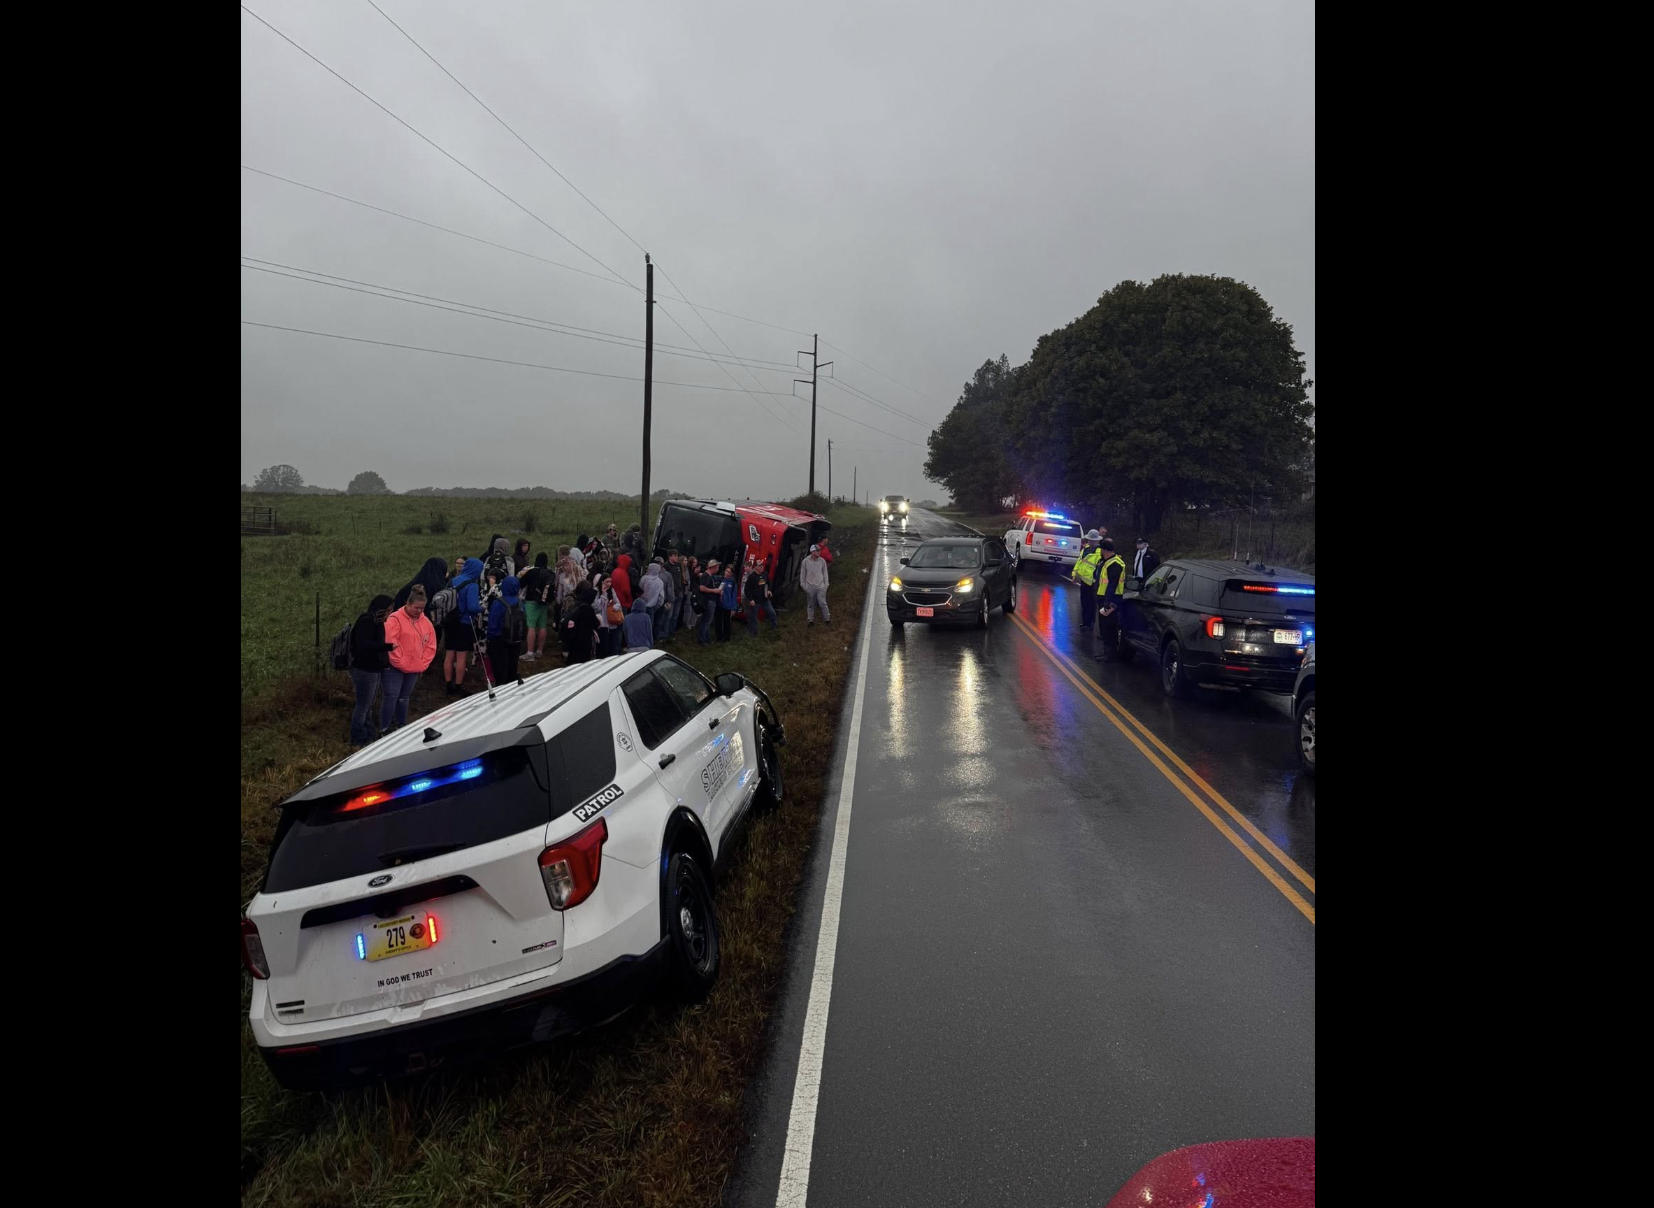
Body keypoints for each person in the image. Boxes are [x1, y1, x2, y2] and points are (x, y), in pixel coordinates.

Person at [381, 586, 437, 733]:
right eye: (416, 608)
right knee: (391, 697)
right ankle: (385, 727)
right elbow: (391, 641)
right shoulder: (395, 619)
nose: (419, 611)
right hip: (395, 667)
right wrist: (400, 661)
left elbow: (431, 645)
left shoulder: (426, 623)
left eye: (422, 608)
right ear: (408, 604)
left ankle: (401, 725)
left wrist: (422, 663)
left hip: (415, 667)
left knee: (404, 698)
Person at [347, 594, 395, 746]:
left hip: (373, 669)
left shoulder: (377, 622)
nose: (390, 613)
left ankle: (369, 734)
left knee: (367, 704)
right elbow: (364, 645)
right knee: (363, 705)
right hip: (364, 670)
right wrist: (386, 647)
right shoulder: (367, 621)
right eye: (388, 610)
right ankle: (358, 738)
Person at [443, 557, 485, 696]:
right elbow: (472, 608)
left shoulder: (453, 580)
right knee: (461, 656)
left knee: (449, 654)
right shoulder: (472, 585)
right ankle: (458, 685)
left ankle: (448, 684)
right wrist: (482, 607)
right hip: (464, 623)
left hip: (450, 622)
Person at [1093, 539, 1128, 661]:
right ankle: (1106, 652)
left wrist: (1108, 601)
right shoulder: (1106, 562)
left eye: (1101, 549)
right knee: (1103, 625)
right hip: (1103, 598)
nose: (1100, 551)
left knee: (1109, 626)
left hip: (1111, 600)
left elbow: (1112, 584)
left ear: (1104, 550)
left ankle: (1110, 653)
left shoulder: (1115, 564)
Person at [486, 574, 524, 683]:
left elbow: (492, 623)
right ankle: (512, 685)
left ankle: (501, 690)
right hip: (516, 639)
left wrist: (490, 639)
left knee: (500, 669)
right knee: (513, 666)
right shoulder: (520, 602)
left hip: (499, 639)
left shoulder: (498, 602)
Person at [518, 552, 552, 662]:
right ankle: (539, 651)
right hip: (545, 602)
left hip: (531, 601)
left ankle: (530, 653)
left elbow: (521, 583)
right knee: (542, 626)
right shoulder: (550, 572)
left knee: (531, 626)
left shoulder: (531, 572)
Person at [1074, 531, 1103, 632]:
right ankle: (1085, 621)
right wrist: (1074, 574)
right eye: (1089, 539)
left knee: (1091, 604)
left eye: (1092, 540)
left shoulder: (1100, 552)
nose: (1090, 541)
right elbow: (1079, 561)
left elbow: (1100, 567)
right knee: (1084, 602)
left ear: (1096, 540)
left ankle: (1090, 623)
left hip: (1093, 582)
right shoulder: (1085, 549)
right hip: (1084, 580)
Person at [745, 559, 779, 635]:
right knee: (753, 618)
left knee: (772, 613)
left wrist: (769, 590)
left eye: (762, 565)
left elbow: (768, 583)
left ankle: (775, 628)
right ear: (756, 567)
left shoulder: (765, 574)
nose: (762, 567)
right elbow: (746, 590)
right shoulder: (751, 577)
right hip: (756, 601)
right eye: (760, 566)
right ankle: (753, 634)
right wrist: (751, 600)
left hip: (765, 599)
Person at [800, 543, 831, 625]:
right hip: (810, 586)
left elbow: (825, 574)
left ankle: (827, 619)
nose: (819, 552)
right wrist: (804, 587)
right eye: (818, 551)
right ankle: (810, 620)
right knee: (810, 604)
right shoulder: (805, 562)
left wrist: (826, 585)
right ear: (813, 552)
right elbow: (802, 575)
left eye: (819, 550)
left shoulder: (822, 561)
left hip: (820, 586)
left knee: (822, 603)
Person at [596, 574, 625, 657]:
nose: (609, 584)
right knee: (602, 644)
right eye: (607, 582)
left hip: (610, 620)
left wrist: (614, 608)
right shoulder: (597, 590)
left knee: (612, 641)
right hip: (601, 621)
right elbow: (596, 606)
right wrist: (603, 595)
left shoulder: (611, 590)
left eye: (610, 582)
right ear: (602, 582)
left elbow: (618, 603)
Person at [696, 559, 722, 644]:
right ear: (713, 567)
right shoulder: (706, 576)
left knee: (707, 621)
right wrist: (714, 591)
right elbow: (702, 588)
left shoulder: (710, 576)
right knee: (706, 621)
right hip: (709, 601)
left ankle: (707, 639)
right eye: (717, 567)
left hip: (711, 601)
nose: (718, 569)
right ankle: (702, 639)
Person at [717, 563, 739, 641]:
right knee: (718, 622)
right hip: (719, 604)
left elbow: (734, 596)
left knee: (727, 623)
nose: (727, 573)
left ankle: (726, 638)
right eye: (726, 571)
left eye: (729, 572)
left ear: (732, 574)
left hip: (728, 606)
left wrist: (733, 608)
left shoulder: (733, 583)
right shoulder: (720, 579)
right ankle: (719, 638)